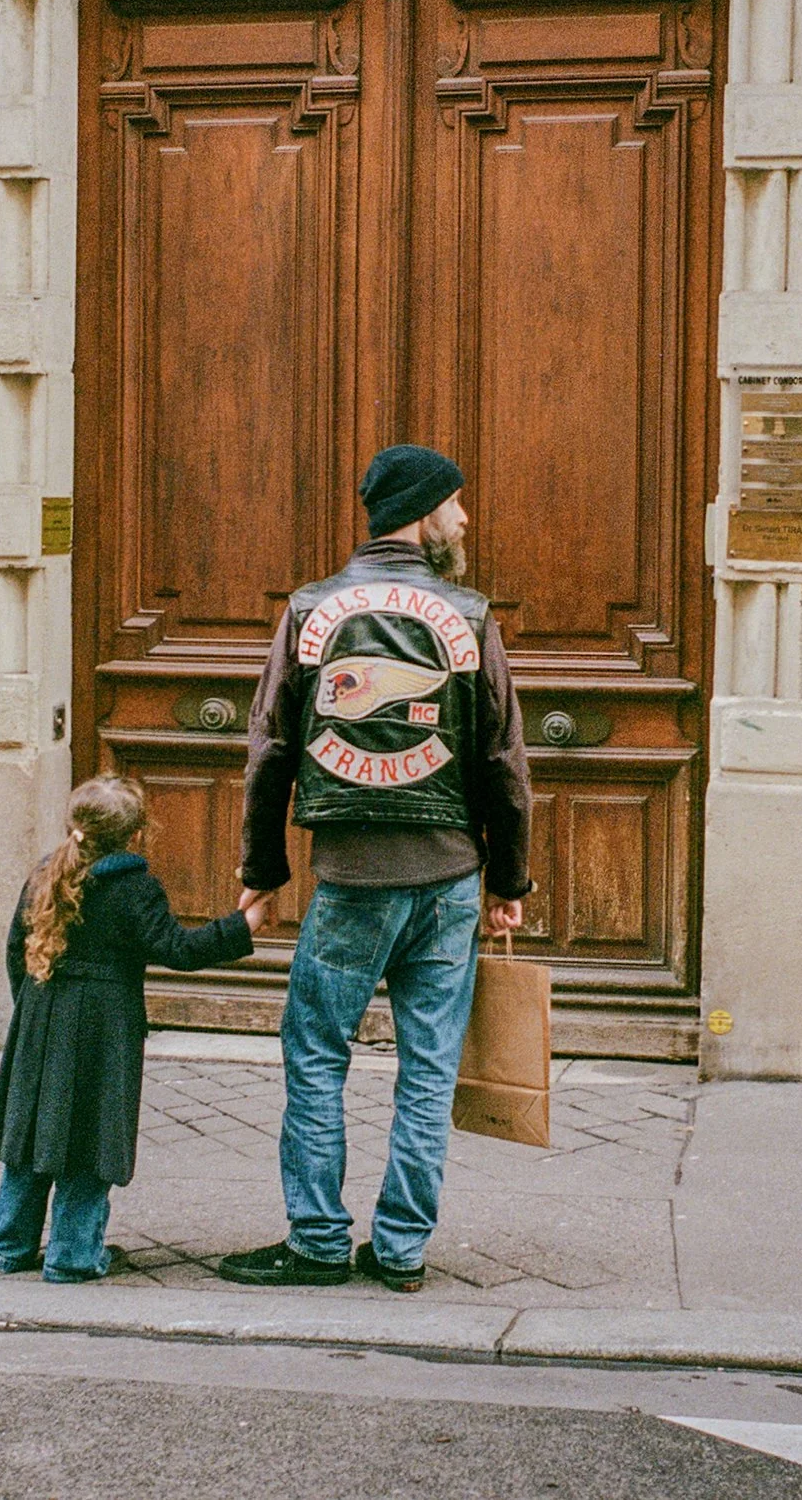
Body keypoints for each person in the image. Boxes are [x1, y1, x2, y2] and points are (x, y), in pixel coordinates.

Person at [218, 444, 533, 1295]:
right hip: (449, 879)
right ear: (423, 512)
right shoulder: (466, 615)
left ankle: (318, 1240)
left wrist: (262, 865)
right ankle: (400, 1251)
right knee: (429, 1065)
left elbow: (272, 746)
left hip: (353, 878)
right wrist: (508, 881)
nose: (464, 520)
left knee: (318, 1052)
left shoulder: (311, 609)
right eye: (456, 505)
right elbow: (503, 757)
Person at [0, 775, 265, 1283]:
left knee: (29, 1131)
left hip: (43, 1014)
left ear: (76, 826)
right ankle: (72, 1254)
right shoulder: (133, 886)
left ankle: (8, 1243)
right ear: (137, 834)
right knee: (91, 1133)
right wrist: (239, 927)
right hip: (103, 1025)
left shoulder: (46, 873)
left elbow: (14, 951)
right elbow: (176, 949)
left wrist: (30, 1012)